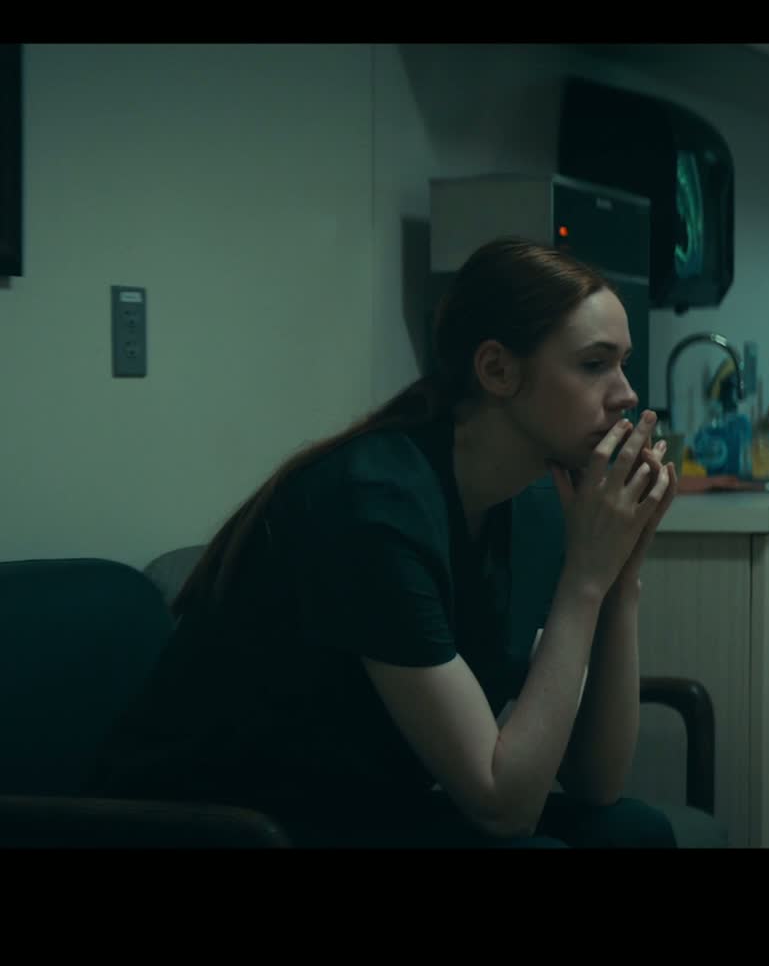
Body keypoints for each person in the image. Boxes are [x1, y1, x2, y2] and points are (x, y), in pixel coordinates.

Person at [91, 237, 684, 848]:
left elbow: (595, 782)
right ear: (497, 370)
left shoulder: (535, 506)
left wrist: (620, 579)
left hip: (350, 809)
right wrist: (585, 580)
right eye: (594, 364)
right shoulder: (375, 503)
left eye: (624, 363)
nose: (626, 394)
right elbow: (504, 807)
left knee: (634, 831)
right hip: (219, 823)